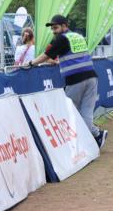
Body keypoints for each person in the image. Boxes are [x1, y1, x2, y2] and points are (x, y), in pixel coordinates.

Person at [30, 15, 107, 149]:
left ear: (64, 26)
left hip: (75, 79)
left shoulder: (61, 38)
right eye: (52, 28)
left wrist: (31, 63)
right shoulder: (77, 36)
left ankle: (84, 141)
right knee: (86, 113)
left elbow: (46, 55)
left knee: (70, 112)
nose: (54, 31)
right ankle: (96, 135)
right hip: (91, 77)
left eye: (56, 27)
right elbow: (73, 55)